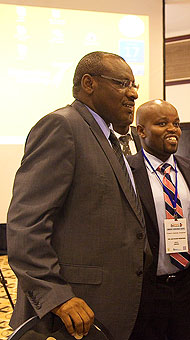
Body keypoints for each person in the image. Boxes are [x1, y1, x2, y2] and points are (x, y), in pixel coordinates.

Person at [7, 51, 147, 340]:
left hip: (109, 304)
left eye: (134, 85)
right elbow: (26, 225)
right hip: (70, 312)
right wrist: (56, 296)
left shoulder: (108, 137)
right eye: (122, 83)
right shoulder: (62, 126)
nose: (133, 94)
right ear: (88, 83)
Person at [127, 99, 190, 340]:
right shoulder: (126, 172)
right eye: (162, 123)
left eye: (176, 123)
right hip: (148, 289)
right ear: (141, 131)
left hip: (188, 284)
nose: (173, 129)